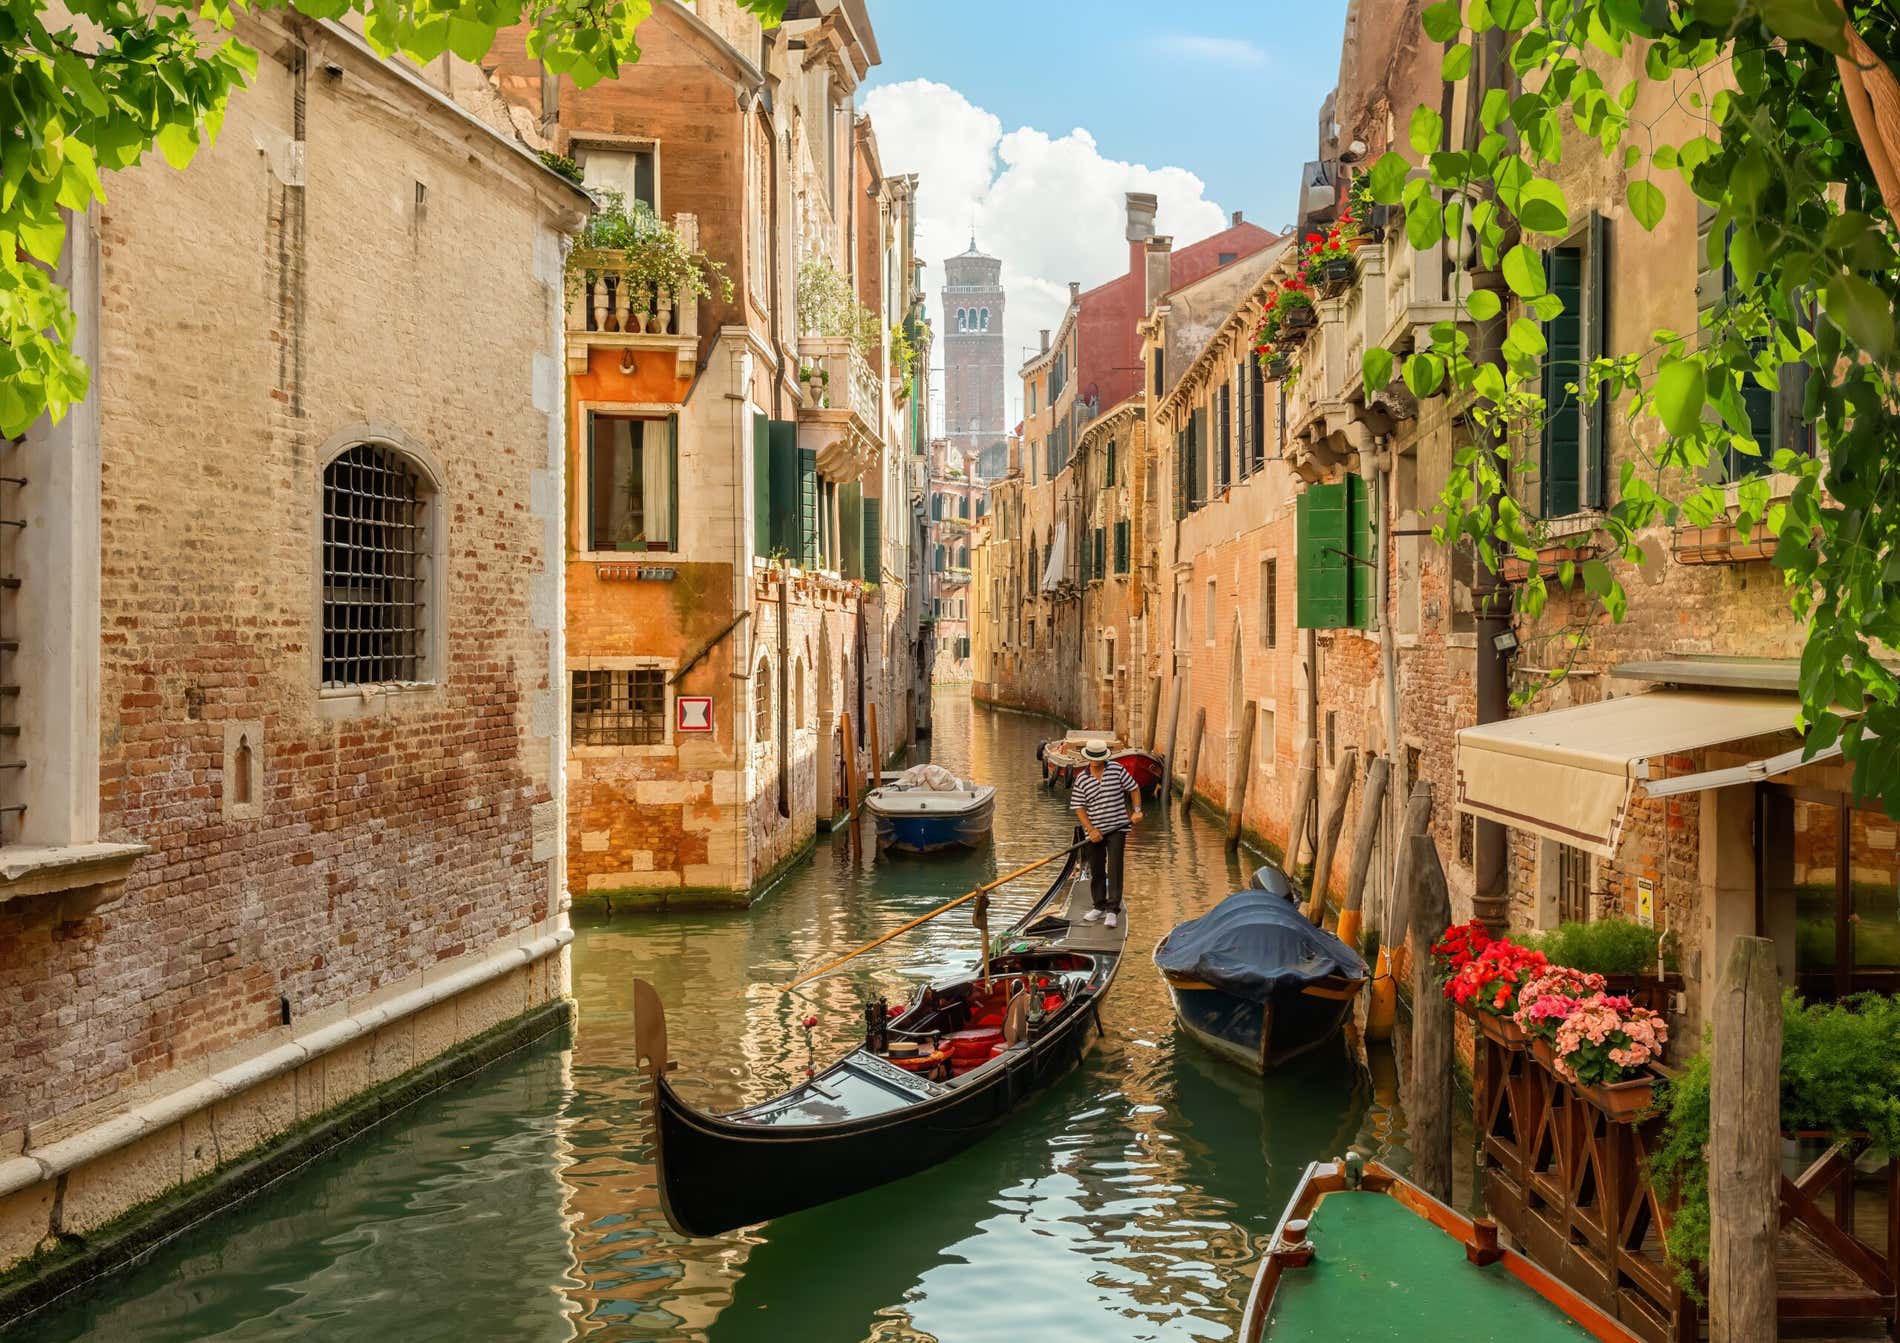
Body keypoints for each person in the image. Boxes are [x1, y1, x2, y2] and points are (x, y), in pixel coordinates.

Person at [1069, 739, 1141, 928]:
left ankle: (1112, 910)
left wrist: (1137, 810)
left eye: (1098, 758)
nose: (1094, 761)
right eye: (1092, 758)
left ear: (1103, 757)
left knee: (1115, 868)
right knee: (1097, 868)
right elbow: (1079, 807)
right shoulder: (1081, 778)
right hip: (1094, 832)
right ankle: (1099, 906)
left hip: (1118, 827)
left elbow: (1133, 788)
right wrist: (1091, 830)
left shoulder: (1117, 770)